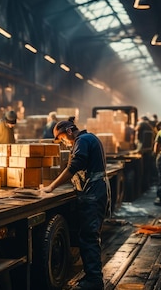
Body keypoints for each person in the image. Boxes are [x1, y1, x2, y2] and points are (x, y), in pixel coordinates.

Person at [41, 121, 110, 290]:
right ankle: (91, 276)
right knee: (88, 236)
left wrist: (52, 186)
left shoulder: (83, 141)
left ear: (70, 131)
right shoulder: (88, 139)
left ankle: (94, 281)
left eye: (62, 138)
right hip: (93, 191)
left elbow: (74, 166)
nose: (64, 142)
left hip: (93, 193)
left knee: (89, 237)